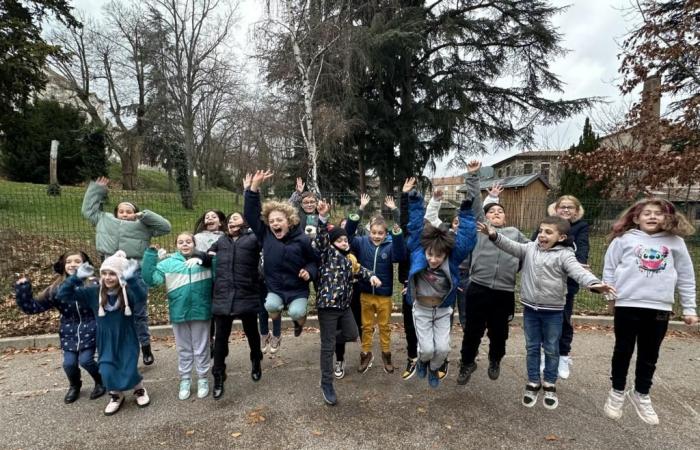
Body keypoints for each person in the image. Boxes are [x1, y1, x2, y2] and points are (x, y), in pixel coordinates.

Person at [478, 216, 615, 410]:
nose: (542, 235)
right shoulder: (530, 248)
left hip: (553, 312)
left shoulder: (565, 255)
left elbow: (578, 271)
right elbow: (509, 245)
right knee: (532, 347)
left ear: (561, 237)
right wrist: (493, 234)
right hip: (530, 310)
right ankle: (533, 382)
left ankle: (550, 383)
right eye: (541, 231)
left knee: (551, 348)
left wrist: (594, 284)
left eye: (548, 232)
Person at [602, 198, 697, 425]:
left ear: (668, 218)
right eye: (647, 213)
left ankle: (641, 393)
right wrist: (610, 297)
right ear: (636, 218)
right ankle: (616, 391)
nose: (652, 216)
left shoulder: (675, 243)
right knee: (623, 350)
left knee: (649, 354)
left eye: (658, 213)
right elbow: (609, 268)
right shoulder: (623, 240)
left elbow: (686, 277)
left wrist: (689, 308)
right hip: (627, 304)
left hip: (659, 307)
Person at [81, 176, 172, 366]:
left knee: (139, 312)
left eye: (129, 211)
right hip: (110, 274)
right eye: (121, 211)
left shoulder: (143, 225)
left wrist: (143, 216)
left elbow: (166, 227)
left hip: (135, 272)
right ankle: (119, 351)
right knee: (113, 312)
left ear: (135, 213)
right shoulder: (104, 219)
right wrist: (97, 190)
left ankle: (145, 346)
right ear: (116, 213)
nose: (124, 214)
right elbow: (88, 210)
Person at [457, 164, 527, 385]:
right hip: (478, 287)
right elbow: (476, 202)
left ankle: (495, 359)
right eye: (491, 212)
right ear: (485, 217)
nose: (496, 214)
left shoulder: (515, 233)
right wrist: (473, 176)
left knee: (499, 334)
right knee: (472, 332)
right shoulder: (481, 229)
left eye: (500, 212)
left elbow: (532, 252)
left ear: (505, 218)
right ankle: (467, 363)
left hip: (504, 292)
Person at [57, 251, 150, 416]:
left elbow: (141, 297)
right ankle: (116, 395)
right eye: (105, 273)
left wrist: (131, 278)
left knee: (128, 367)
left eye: (113, 273)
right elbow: (63, 295)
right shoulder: (93, 292)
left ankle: (139, 389)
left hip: (126, 336)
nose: (108, 277)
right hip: (104, 338)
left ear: (120, 275)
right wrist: (76, 277)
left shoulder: (127, 292)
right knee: (106, 369)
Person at [405, 185, 477, 388]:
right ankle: (422, 361)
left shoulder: (452, 260)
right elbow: (415, 227)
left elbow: (467, 239)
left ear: (445, 254)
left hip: (444, 310)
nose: (434, 260)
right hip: (422, 310)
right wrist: (415, 202)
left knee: (443, 349)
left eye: (438, 256)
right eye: (430, 255)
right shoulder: (419, 252)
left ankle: (435, 368)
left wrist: (466, 211)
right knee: (427, 349)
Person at [14, 251, 105, 404]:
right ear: (63, 265)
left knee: (86, 360)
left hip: (91, 326)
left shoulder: (94, 284)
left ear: (85, 264)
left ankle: (100, 381)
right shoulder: (56, 288)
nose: (73, 264)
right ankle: (75, 385)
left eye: (77, 261)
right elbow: (33, 307)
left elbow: (110, 299)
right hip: (68, 330)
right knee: (69, 364)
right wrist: (23, 289)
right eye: (69, 261)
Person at [315, 200, 381, 405]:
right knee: (328, 349)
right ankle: (327, 384)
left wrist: (371, 276)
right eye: (340, 240)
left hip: (344, 307)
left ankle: (329, 341)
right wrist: (323, 218)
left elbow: (360, 269)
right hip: (328, 306)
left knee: (353, 334)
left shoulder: (348, 258)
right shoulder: (327, 254)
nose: (345, 242)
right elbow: (321, 238)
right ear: (333, 242)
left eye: (346, 240)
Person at [244, 170, 318, 337]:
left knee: (296, 313)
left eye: (279, 220)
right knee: (270, 306)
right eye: (271, 221)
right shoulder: (266, 235)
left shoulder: (303, 239)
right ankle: (278, 314)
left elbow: (314, 261)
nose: (275, 223)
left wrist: (309, 272)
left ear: (289, 221)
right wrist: (254, 187)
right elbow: (250, 213)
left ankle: (298, 323)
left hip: (297, 288)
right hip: (275, 288)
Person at [141, 233, 213, 400]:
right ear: (176, 245)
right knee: (183, 348)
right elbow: (150, 280)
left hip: (201, 310)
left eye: (188, 241)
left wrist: (204, 258)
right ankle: (185, 379)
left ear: (194, 244)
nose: (185, 244)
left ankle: (203, 378)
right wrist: (151, 256)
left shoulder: (205, 262)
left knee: (202, 347)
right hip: (179, 311)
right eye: (181, 242)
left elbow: (218, 266)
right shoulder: (168, 263)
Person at [207, 209, 266, 400]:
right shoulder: (221, 241)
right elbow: (208, 256)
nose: (232, 220)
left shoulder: (252, 239)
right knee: (221, 338)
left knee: (252, 333)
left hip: (246, 292)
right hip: (223, 294)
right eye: (230, 218)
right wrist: (196, 256)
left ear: (244, 222)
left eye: (236, 217)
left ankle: (256, 359)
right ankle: (218, 373)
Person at [532, 195, 589, 379]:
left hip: (566, 283)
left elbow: (582, 250)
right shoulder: (546, 224)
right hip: (543, 281)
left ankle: (563, 355)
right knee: (541, 321)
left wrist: (578, 262)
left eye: (569, 207)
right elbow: (533, 244)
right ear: (555, 209)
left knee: (563, 320)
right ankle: (544, 354)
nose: (565, 210)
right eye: (562, 207)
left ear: (576, 210)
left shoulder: (581, 227)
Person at [346, 203, 406, 374]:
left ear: (385, 234)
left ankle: (386, 355)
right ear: (369, 231)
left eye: (380, 233)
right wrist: (359, 211)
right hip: (365, 293)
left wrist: (397, 235)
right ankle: (365, 354)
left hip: (384, 296)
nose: (376, 236)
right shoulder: (361, 242)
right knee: (366, 326)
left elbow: (400, 256)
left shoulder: (390, 245)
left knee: (385, 326)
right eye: (374, 232)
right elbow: (348, 237)